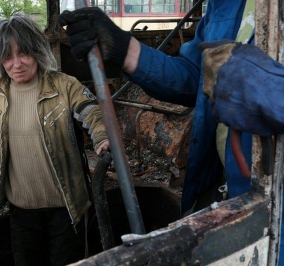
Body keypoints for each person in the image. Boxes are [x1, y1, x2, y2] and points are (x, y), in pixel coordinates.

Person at [58, 0, 284, 263]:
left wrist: (265, 85)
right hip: (231, 191)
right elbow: (197, 78)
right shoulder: (226, 4)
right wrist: (123, 48)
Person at [0, 13, 109, 266]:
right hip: (21, 211)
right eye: (7, 56)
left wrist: (103, 138)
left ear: (37, 52)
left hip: (67, 209)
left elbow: (93, 113)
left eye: (24, 54)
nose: (16, 64)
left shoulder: (65, 86)